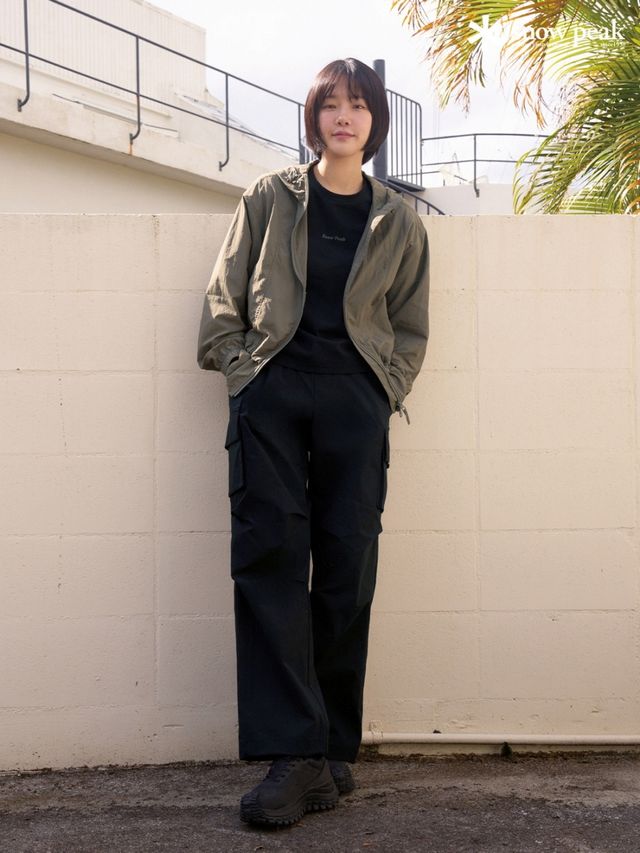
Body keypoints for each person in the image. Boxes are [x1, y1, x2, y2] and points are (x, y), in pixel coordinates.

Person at [197, 57, 430, 827]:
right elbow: (224, 297)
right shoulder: (271, 197)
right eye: (332, 104)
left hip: (354, 401)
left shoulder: (399, 221)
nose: (345, 117)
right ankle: (295, 754)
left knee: (346, 566)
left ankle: (329, 749)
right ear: (314, 118)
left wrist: (382, 390)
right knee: (270, 560)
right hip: (272, 394)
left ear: (374, 123)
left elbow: (410, 325)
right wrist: (244, 377)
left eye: (359, 105)